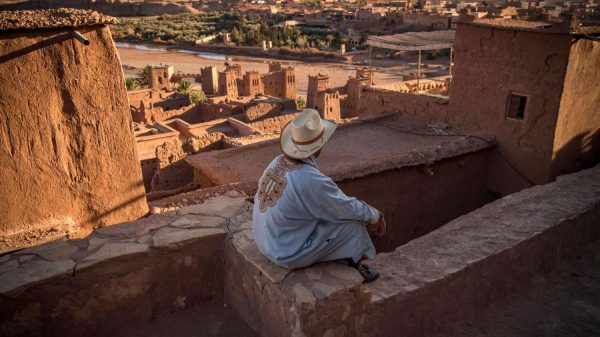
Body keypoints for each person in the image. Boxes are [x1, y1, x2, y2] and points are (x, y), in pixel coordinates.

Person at [252, 109, 386, 283]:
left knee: (328, 215)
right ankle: (354, 268)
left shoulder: (277, 162)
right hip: (285, 252)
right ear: (318, 147)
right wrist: (375, 215)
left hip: (264, 242)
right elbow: (345, 208)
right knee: (352, 225)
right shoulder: (310, 179)